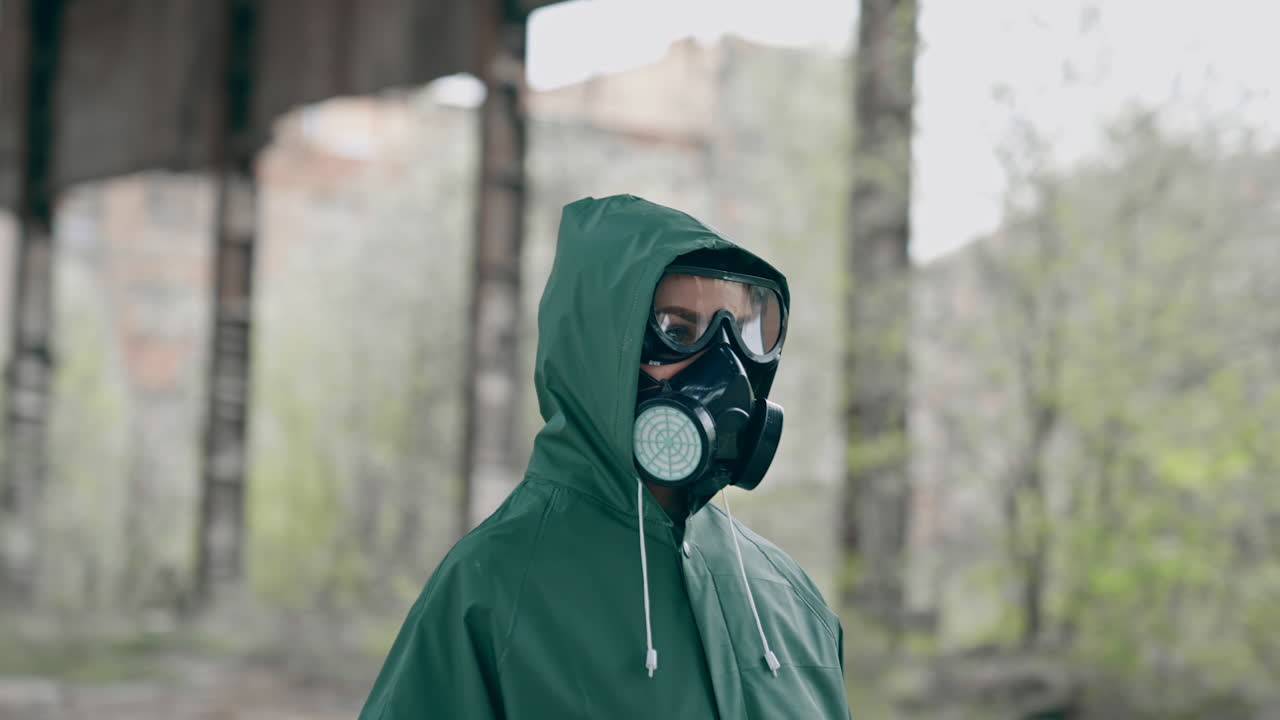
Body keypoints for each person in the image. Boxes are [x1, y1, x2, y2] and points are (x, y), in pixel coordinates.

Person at [359, 195, 852, 719]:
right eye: (679, 333)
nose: (724, 369)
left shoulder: (791, 600)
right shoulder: (491, 589)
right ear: (599, 350)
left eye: (743, 333)